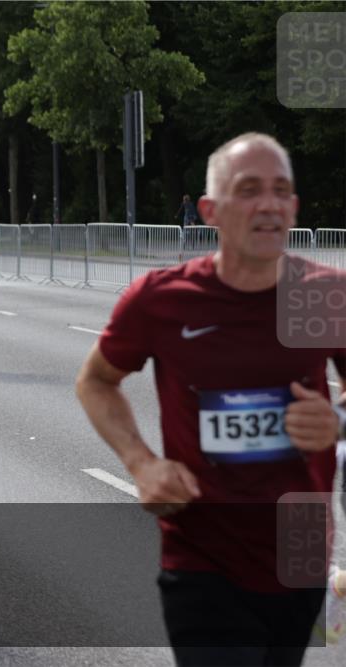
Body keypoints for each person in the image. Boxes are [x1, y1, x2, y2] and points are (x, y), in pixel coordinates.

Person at [75, 133, 346, 667]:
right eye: (248, 190)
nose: (268, 204)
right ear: (210, 210)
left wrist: (335, 420)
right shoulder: (161, 299)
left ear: (293, 207)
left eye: (280, 191)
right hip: (203, 558)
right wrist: (141, 463)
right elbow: (95, 381)